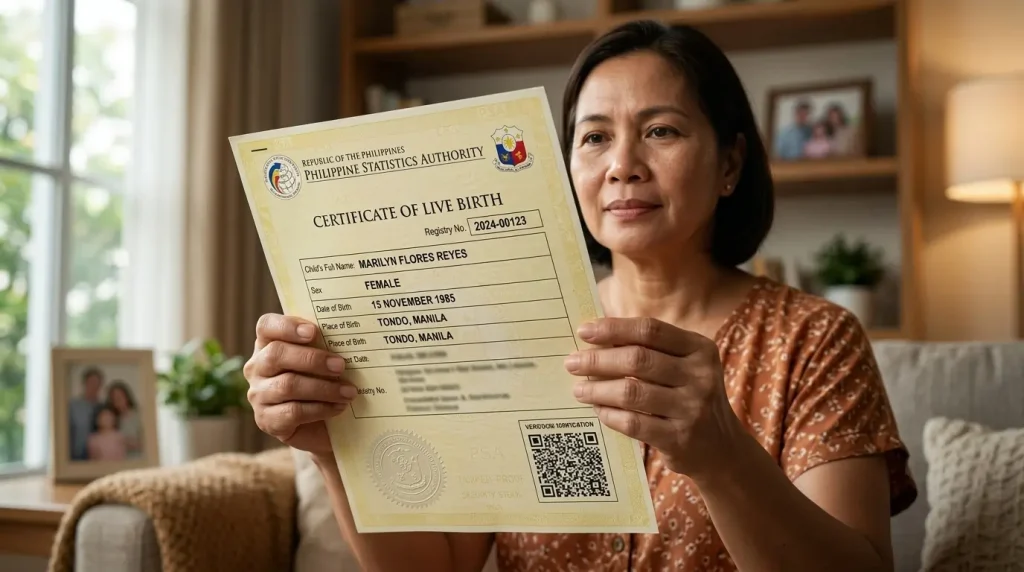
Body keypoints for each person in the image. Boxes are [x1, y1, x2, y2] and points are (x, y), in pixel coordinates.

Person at [243, 20, 916, 572]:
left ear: (731, 164)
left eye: (662, 130)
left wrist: (723, 458)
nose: (622, 163)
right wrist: (335, 447)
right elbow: (437, 566)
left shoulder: (815, 338)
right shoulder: (515, 325)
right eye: (594, 137)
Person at [68, 367, 104, 461]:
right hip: (76, 454)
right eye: (91, 383)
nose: (94, 387)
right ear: (84, 383)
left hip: (98, 457)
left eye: (97, 384)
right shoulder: (72, 406)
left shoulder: (104, 407)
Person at [106, 381, 142, 457]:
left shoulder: (139, 415)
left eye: (120, 396)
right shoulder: (112, 419)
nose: (117, 400)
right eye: (114, 398)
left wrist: (125, 442)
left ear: (127, 397)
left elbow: (148, 443)